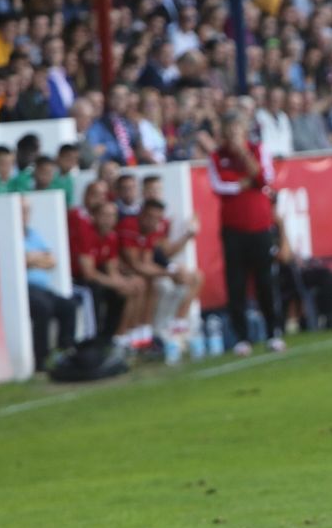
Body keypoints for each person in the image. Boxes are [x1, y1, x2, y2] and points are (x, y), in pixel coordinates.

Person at [207, 109, 283, 355]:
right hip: (233, 229)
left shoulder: (258, 150)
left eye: (237, 130)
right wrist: (244, 183)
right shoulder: (217, 156)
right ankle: (241, 337)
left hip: (260, 226)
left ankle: (273, 332)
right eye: (229, 131)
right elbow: (221, 186)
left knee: (265, 281)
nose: (233, 135)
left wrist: (245, 157)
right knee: (236, 283)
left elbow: (264, 179)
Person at [119, 198, 203, 347]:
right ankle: (125, 336)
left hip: (146, 269)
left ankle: (168, 328)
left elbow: (147, 260)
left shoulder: (151, 231)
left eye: (158, 218)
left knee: (194, 277)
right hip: (122, 271)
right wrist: (168, 273)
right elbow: (135, 264)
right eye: (151, 217)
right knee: (143, 283)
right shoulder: (129, 225)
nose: (154, 222)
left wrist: (170, 271)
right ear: (142, 214)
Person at [72, 199, 148, 347]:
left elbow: (112, 270)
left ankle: (115, 336)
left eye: (112, 216)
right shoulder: (86, 234)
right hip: (78, 279)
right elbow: (88, 273)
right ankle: (92, 341)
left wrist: (125, 283)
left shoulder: (111, 236)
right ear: (94, 216)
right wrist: (118, 283)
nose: (109, 219)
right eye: (105, 215)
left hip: (97, 276)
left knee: (129, 289)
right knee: (96, 291)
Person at [22, 197, 78, 368]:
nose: (25, 215)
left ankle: (65, 352)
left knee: (68, 305)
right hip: (24, 290)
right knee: (43, 308)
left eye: (27, 211)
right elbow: (18, 261)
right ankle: (41, 359)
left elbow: (51, 260)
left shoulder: (33, 234)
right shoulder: (6, 234)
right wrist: (32, 259)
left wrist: (31, 259)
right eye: (22, 211)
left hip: (42, 289)